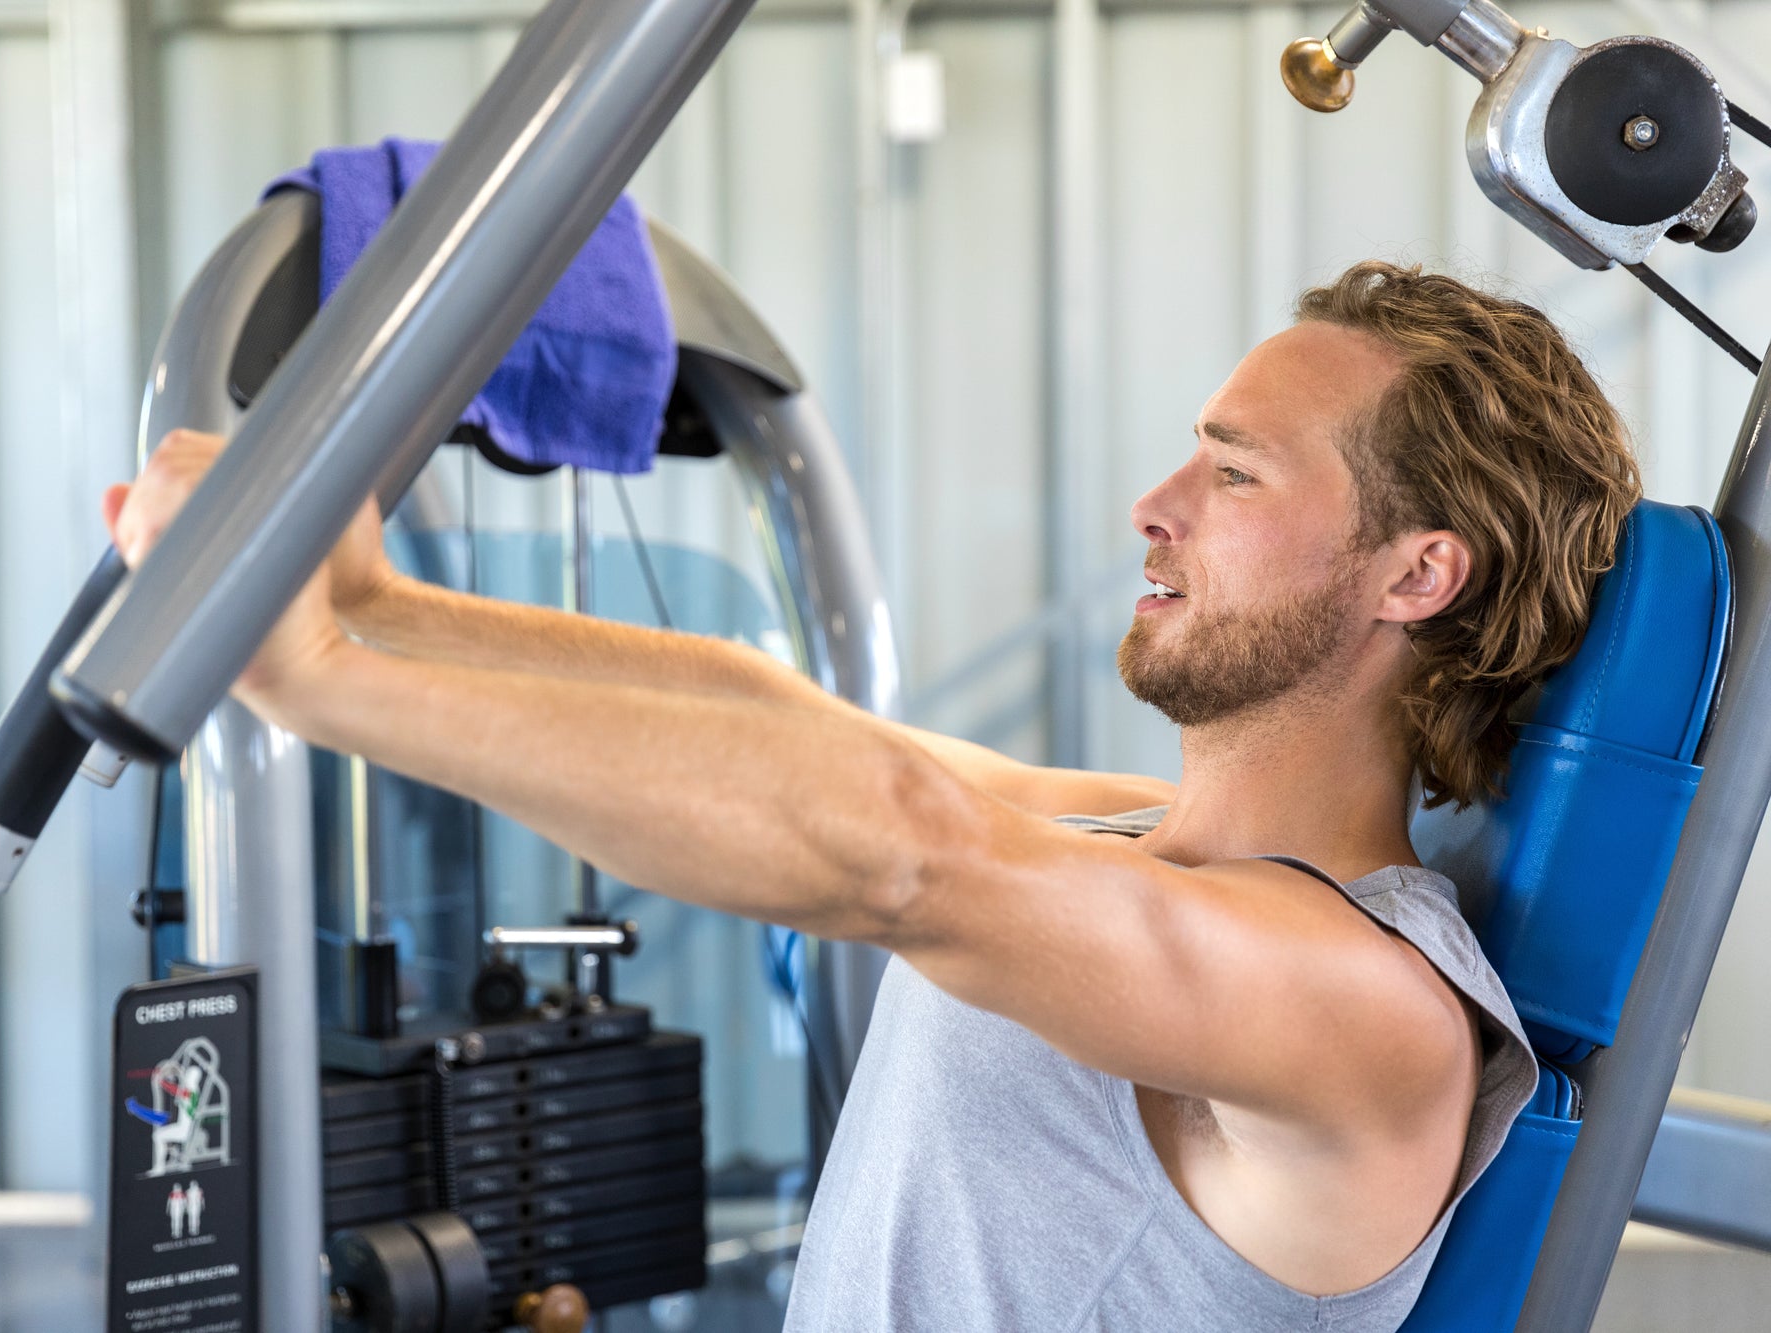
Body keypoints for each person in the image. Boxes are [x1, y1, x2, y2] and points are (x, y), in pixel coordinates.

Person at [104, 262, 1639, 1329]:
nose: (1154, 510)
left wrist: (315, 677)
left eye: (1233, 478)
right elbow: (775, 717)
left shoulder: (1366, 1008)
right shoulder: (1141, 843)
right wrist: (382, 603)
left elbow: (906, 851)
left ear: (1417, 572)